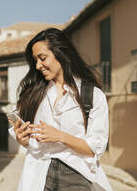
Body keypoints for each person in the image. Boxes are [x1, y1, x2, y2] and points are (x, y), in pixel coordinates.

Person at [8, 28, 112, 191]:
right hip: (37, 175)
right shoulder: (34, 94)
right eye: (35, 60)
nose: (38, 65)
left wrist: (60, 136)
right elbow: (32, 140)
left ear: (61, 53)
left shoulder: (92, 96)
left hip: (75, 176)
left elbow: (95, 149)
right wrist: (24, 140)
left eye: (42, 58)